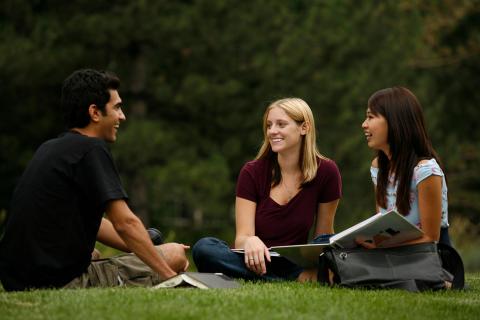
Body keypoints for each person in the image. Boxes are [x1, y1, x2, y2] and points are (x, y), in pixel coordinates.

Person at [0, 69, 189, 291]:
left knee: (95, 254)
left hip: (16, 279)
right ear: (95, 112)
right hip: (59, 283)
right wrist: (171, 278)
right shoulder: (92, 149)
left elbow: (94, 223)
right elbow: (125, 223)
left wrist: (141, 246)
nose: (122, 116)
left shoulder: (50, 148)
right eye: (117, 107)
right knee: (174, 254)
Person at [193, 98, 342, 282]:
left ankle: (291, 275)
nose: (272, 131)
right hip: (251, 260)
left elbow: (322, 235)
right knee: (204, 248)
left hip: (293, 261)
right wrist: (250, 240)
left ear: (304, 128)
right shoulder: (252, 172)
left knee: (329, 244)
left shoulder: (327, 172)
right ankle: (298, 278)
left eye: (281, 124)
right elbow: (242, 237)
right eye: (269, 125)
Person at [361, 86, 451, 247]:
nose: (364, 124)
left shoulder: (425, 171)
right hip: (395, 256)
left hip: (431, 259)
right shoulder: (378, 167)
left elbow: (431, 237)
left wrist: (381, 245)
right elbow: (385, 227)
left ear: (394, 121)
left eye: (371, 117)